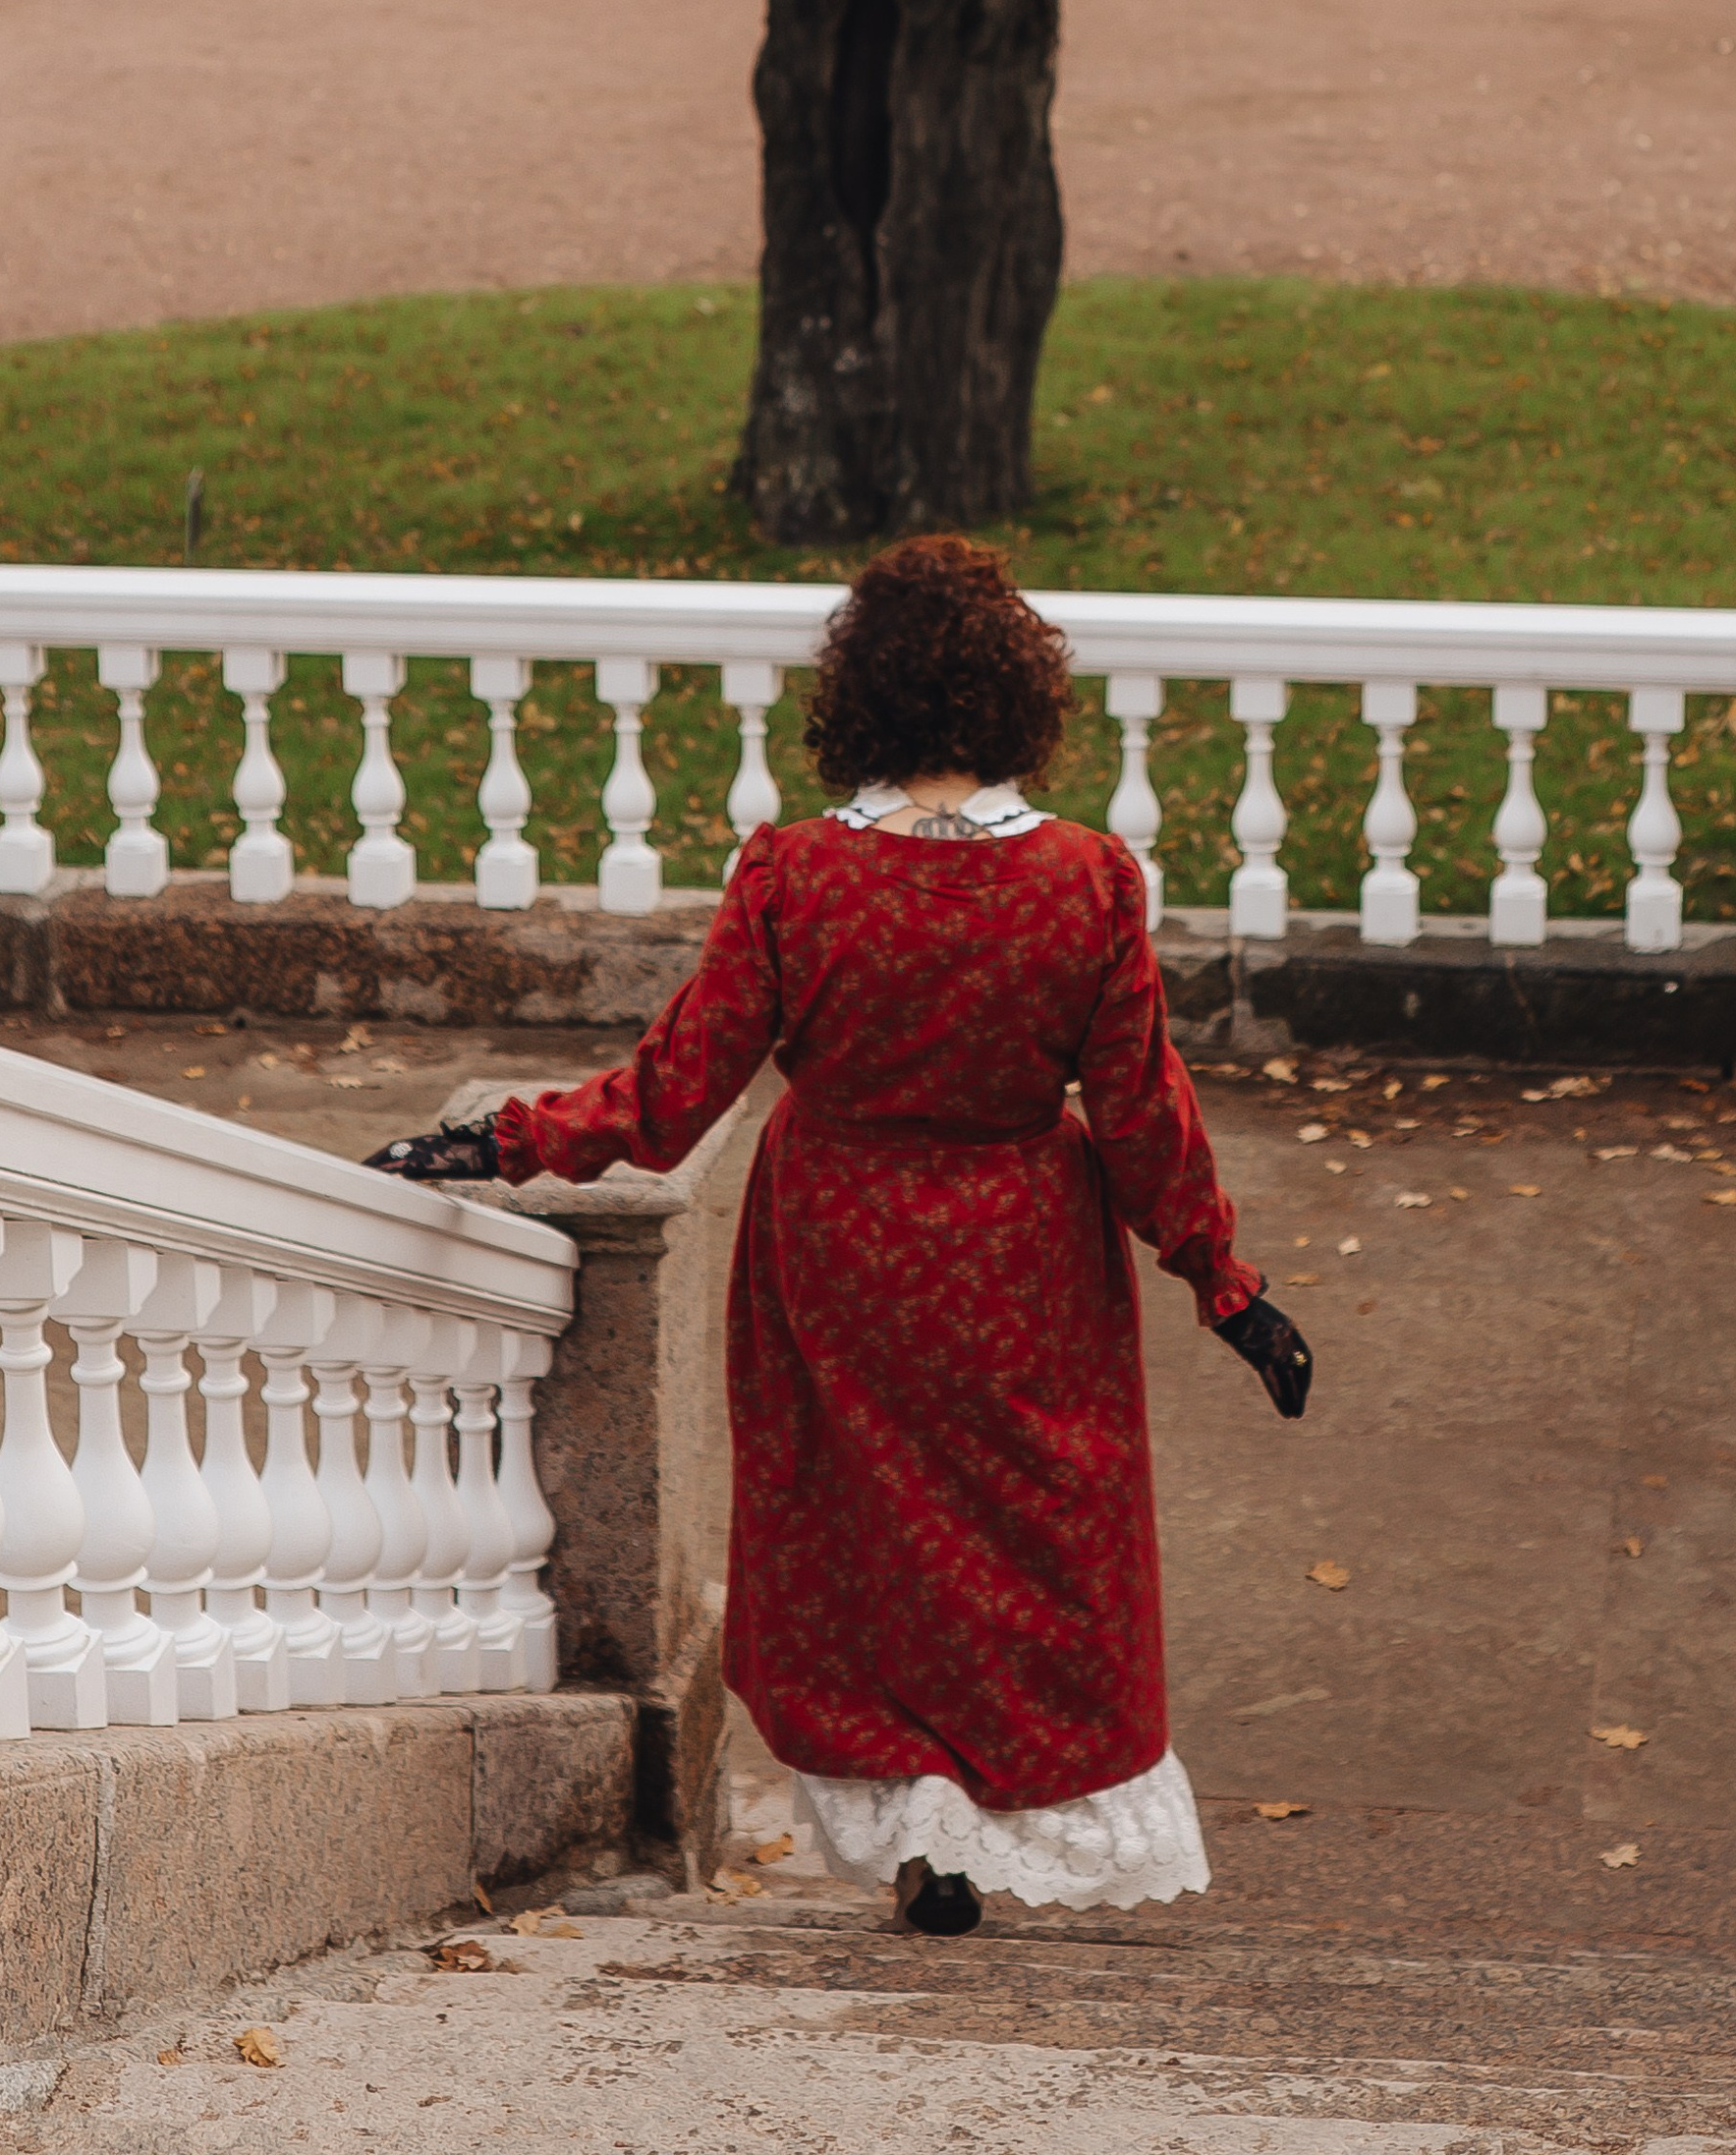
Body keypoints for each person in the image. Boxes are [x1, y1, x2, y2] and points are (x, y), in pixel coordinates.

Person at [366, 532, 1310, 1933]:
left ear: (854, 695)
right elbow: (1142, 1123)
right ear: (1016, 697)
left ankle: (920, 1829)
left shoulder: (796, 875)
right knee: (1021, 1539)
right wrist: (1225, 1290)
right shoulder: (1090, 882)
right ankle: (974, 1820)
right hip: (1027, 1259)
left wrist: (505, 1137)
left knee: (863, 1542)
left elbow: (672, 1093)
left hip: (841, 1246)